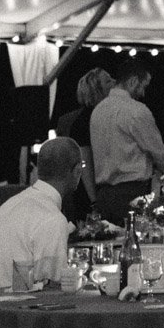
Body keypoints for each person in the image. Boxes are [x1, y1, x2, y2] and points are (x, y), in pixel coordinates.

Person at [0, 137, 82, 292]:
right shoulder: (51, 218)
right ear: (77, 171)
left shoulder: (10, 205)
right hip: (11, 310)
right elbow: (54, 290)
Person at [90, 61, 164, 224]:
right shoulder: (137, 110)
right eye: (143, 86)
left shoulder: (98, 110)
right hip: (132, 195)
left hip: (103, 196)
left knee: (112, 245)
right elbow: (159, 154)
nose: (143, 93)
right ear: (133, 81)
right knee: (135, 246)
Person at [54, 66, 113, 220]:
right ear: (97, 90)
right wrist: (94, 201)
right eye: (108, 81)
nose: (114, 83)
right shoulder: (87, 120)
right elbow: (84, 160)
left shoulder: (81, 118)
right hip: (89, 191)